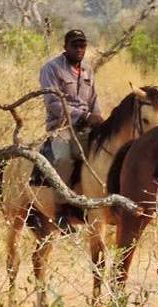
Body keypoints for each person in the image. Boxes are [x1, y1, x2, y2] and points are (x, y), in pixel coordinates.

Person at [39, 29, 104, 198]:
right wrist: (84, 116)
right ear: (65, 47)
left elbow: (94, 100)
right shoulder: (51, 68)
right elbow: (53, 102)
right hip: (61, 127)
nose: (79, 49)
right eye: (74, 45)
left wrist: (98, 119)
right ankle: (61, 207)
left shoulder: (88, 70)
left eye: (82, 45)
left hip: (86, 127)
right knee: (63, 160)